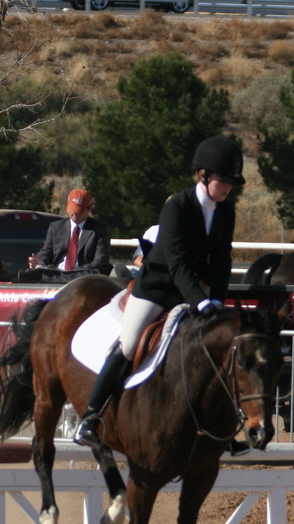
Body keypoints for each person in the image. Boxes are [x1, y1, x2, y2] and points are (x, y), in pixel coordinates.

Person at [73, 136, 245, 449]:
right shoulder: (177, 207)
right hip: (156, 290)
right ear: (204, 175)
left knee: (214, 349)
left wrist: (218, 300)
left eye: (232, 182)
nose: (229, 187)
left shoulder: (226, 211)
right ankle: (91, 416)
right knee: (128, 345)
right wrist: (201, 300)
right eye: (224, 180)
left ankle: (221, 430)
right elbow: (177, 262)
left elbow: (222, 260)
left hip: (193, 292)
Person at [28, 188, 112, 275]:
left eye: (79, 210)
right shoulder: (56, 227)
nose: (75, 213)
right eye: (73, 209)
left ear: (89, 208)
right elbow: (46, 252)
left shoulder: (99, 229)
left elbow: (100, 261)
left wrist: (75, 272)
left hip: (83, 277)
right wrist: (39, 262)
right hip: (57, 275)